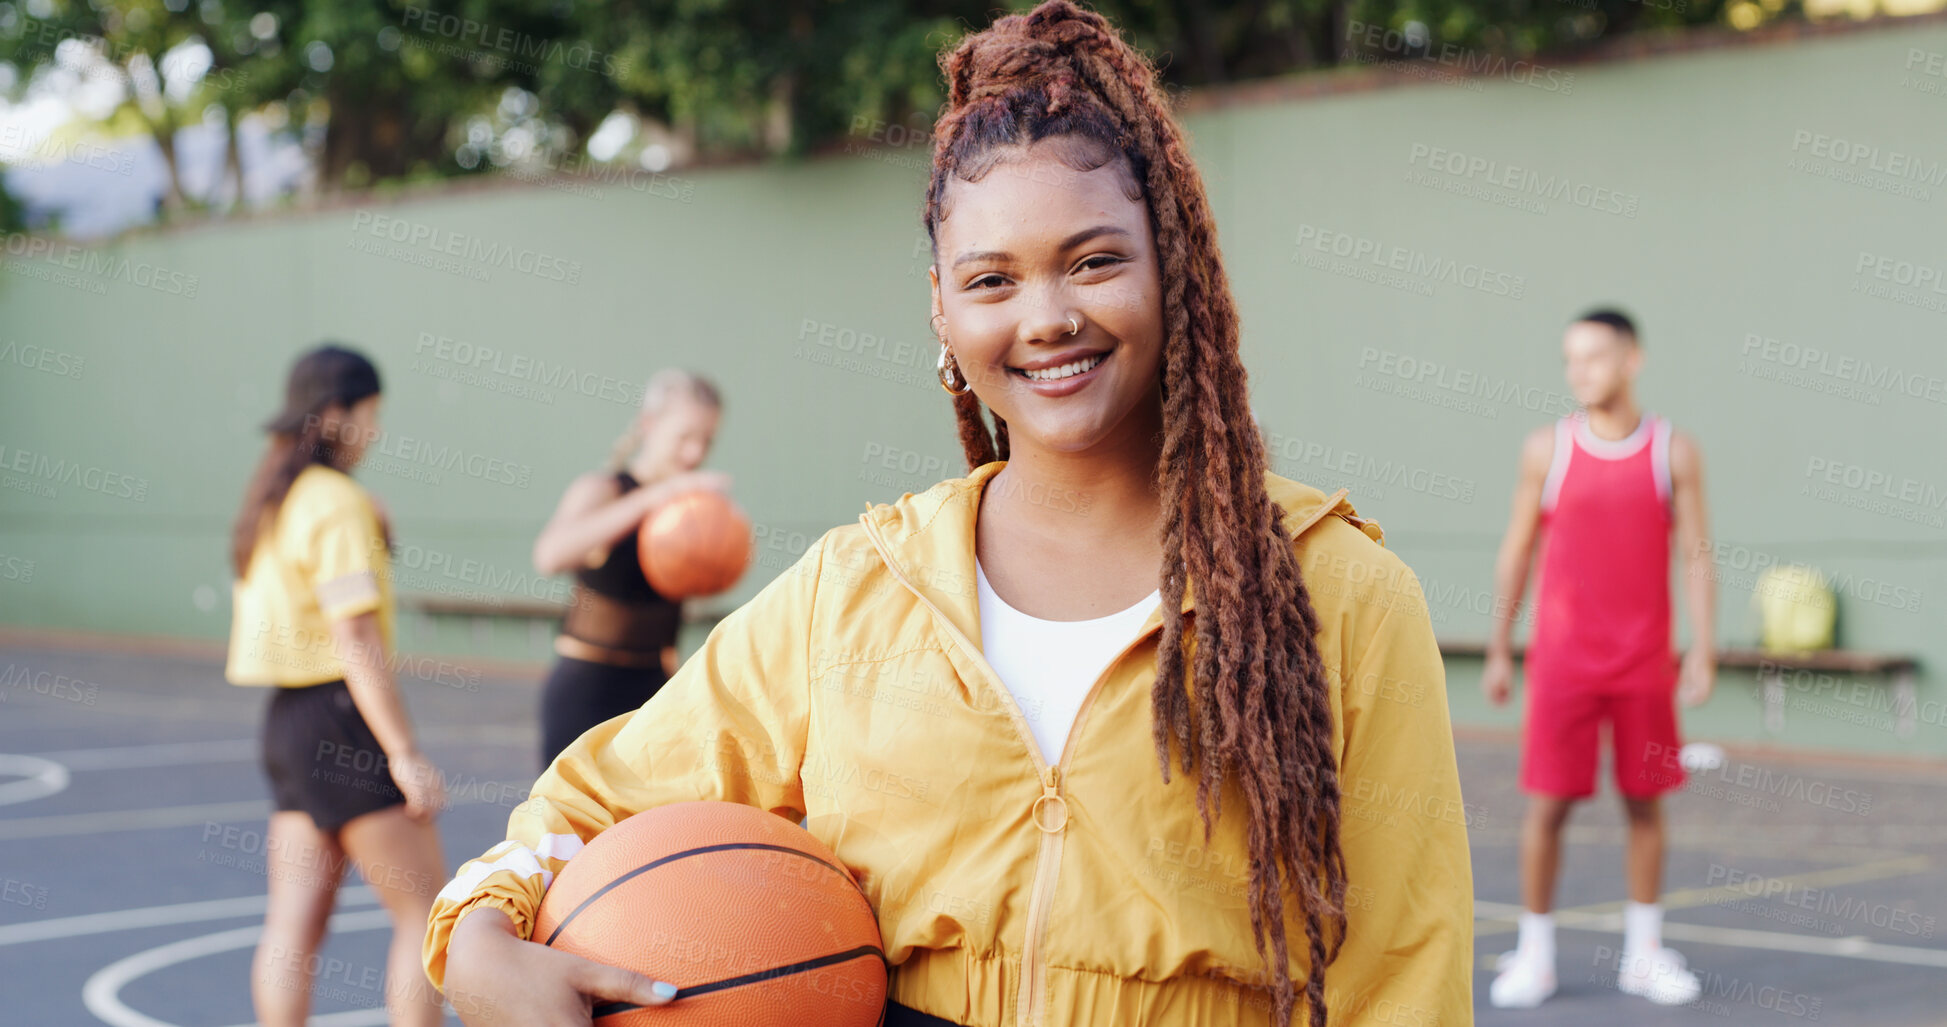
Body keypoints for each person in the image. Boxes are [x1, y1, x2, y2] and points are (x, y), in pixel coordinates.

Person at [422, 4, 1472, 1025]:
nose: (1047, 317)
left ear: (1175, 265)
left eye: (1095, 259)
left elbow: (1406, 977)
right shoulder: (860, 588)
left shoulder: (1338, 595)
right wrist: (475, 933)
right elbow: (592, 801)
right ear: (941, 306)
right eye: (992, 279)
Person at [1482, 309, 1716, 1007]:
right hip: (1562, 664)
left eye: (1593, 356)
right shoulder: (1545, 449)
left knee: (1644, 805)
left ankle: (1643, 954)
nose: (1578, 370)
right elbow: (1516, 551)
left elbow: (1697, 556)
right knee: (1546, 808)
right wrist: (1499, 647)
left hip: (1643, 663)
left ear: (1631, 360)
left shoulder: (1672, 451)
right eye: (1569, 359)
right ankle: (1535, 955)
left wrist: (1702, 647)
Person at [226, 344, 447, 1027]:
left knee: (293, 926)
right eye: (371, 414)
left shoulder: (275, 497)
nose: (376, 431)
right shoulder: (335, 501)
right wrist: (404, 751)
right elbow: (353, 638)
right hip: (340, 718)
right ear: (339, 415)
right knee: (427, 912)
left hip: (288, 721)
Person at [529, 369, 729, 769]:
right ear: (650, 425)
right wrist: (653, 498)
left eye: (706, 440)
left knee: (651, 829)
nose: (695, 454)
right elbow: (549, 555)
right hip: (587, 688)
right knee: (572, 828)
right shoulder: (605, 490)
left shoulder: (687, 510)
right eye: (685, 437)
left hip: (654, 689)